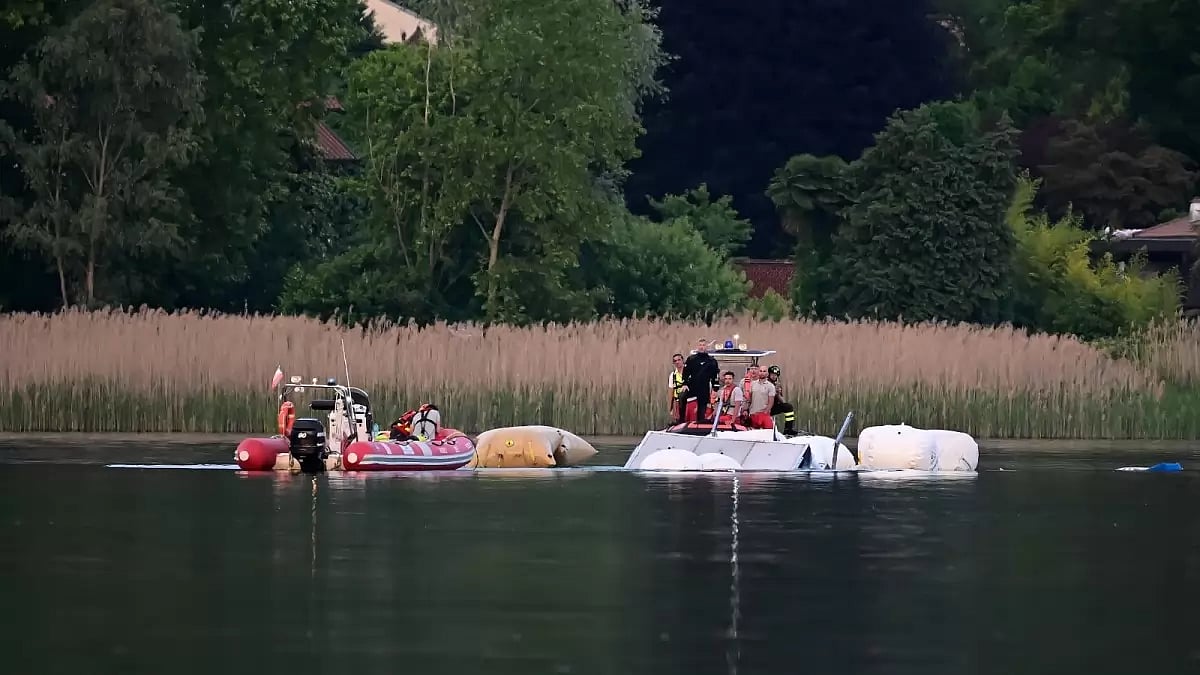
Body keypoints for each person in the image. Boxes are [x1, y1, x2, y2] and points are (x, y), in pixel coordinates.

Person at [679, 338, 720, 423]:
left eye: (703, 345)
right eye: (700, 345)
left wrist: (715, 389)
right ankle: (681, 420)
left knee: (702, 405)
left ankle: (700, 422)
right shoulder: (691, 359)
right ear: (697, 346)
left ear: (707, 347)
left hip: (704, 386)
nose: (701, 347)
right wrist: (685, 384)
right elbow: (685, 373)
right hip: (692, 385)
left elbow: (715, 376)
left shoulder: (712, 361)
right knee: (682, 396)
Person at [765, 365, 798, 436]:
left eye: (776, 375)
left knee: (788, 407)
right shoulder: (766, 383)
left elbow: (782, 401)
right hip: (765, 406)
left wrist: (778, 394)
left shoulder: (777, 384)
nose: (774, 376)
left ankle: (788, 429)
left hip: (774, 406)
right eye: (772, 375)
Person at [667, 353, 686, 420]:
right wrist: (670, 408)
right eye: (675, 361)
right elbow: (671, 392)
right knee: (678, 419)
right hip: (678, 401)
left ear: (683, 360)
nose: (677, 362)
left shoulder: (689, 372)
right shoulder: (673, 375)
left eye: (679, 360)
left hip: (689, 401)